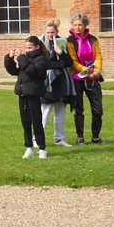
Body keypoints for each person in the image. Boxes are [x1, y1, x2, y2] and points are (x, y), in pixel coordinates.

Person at [5, 36, 49, 159]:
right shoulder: (25, 59)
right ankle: (28, 147)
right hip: (23, 94)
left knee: (36, 122)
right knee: (25, 122)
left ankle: (42, 148)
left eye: (30, 48)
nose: (27, 50)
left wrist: (21, 58)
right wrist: (9, 58)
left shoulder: (41, 60)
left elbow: (32, 71)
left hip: (33, 94)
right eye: (26, 48)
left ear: (37, 47)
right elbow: (13, 71)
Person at [64, 12, 105, 145]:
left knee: (97, 109)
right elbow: (73, 61)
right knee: (78, 109)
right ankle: (80, 136)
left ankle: (96, 136)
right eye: (75, 25)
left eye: (80, 25)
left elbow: (98, 56)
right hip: (77, 78)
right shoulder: (70, 41)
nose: (77, 27)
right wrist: (85, 70)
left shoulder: (93, 40)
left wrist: (96, 71)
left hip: (92, 78)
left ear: (85, 25)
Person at [38, 19, 76, 148]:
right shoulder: (40, 44)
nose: (50, 35)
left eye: (52, 32)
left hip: (61, 81)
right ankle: (36, 139)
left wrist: (60, 52)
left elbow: (69, 63)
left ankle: (59, 138)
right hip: (47, 81)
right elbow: (42, 63)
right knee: (44, 112)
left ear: (57, 32)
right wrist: (59, 64)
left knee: (60, 112)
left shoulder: (61, 43)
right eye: (48, 32)